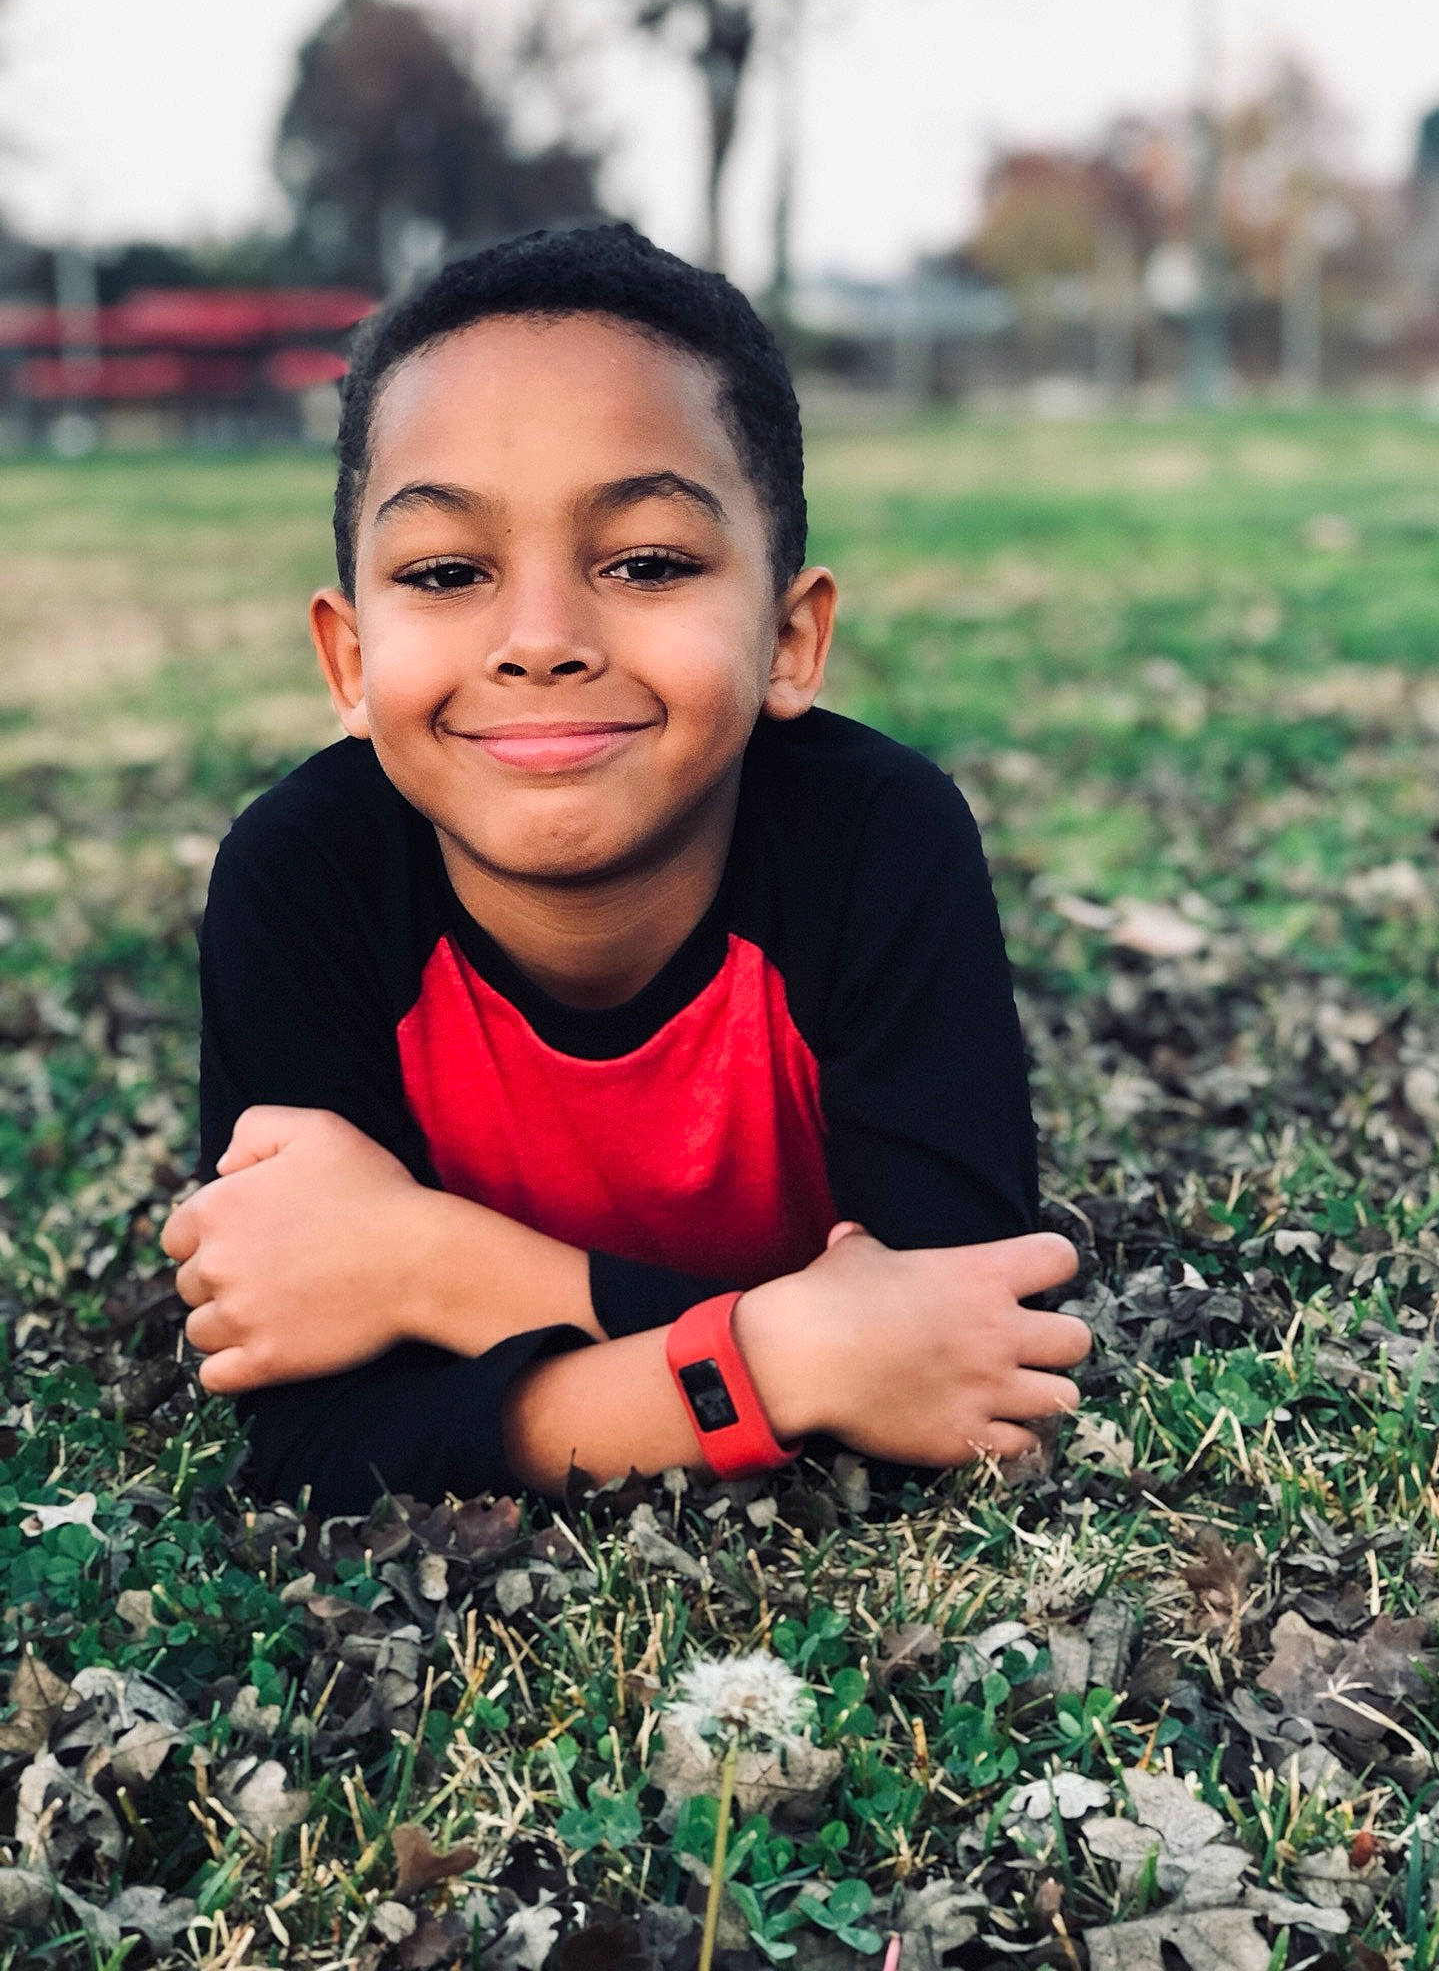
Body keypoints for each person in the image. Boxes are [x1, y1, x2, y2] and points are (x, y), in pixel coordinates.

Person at [162, 224, 1090, 1517]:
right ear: (351, 662)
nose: (540, 639)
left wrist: (433, 1269)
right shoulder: (304, 878)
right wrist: (785, 1363)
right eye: (447, 572)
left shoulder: (880, 838)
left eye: (648, 563)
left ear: (789, 639)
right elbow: (320, 1441)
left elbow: (962, 1348)